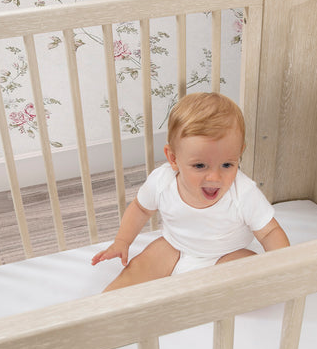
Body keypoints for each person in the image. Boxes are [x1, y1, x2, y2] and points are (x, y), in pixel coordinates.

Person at [91, 91, 290, 291]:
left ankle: (204, 299)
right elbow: (140, 209)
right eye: (200, 166)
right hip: (174, 247)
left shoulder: (243, 193)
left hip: (228, 254)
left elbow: (269, 232)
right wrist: (122, 241)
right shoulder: (162, 182)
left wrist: (283, 266)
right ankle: (105, 307)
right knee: (138, 268)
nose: (215, 178)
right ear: (173, 158)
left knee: (251, 273)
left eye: (227, 165)